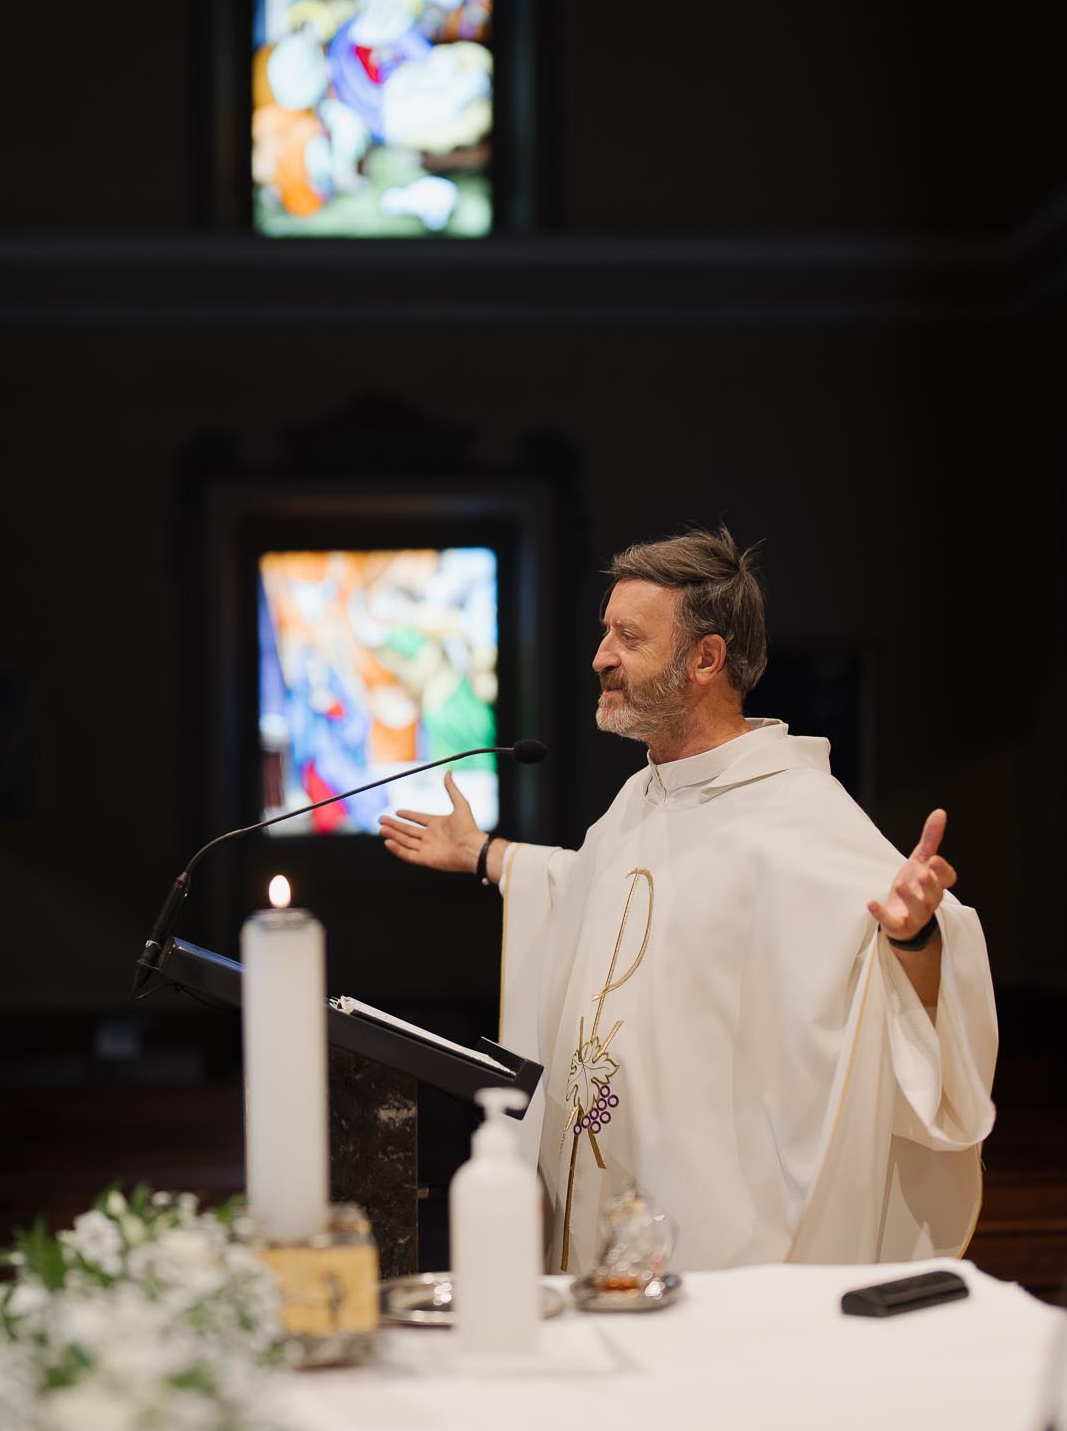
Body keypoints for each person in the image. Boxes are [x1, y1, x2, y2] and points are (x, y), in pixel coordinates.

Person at [377, 526, 997, 1275]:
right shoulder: (638, 799)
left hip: (715, 1228)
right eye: (605, 632)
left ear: (704, 659)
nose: (600, 656)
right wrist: (485, 854)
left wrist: (912, 940)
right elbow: (587, 892)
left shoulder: (796, 811)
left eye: (627, 638)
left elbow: (911, 953)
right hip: (598, 1195)